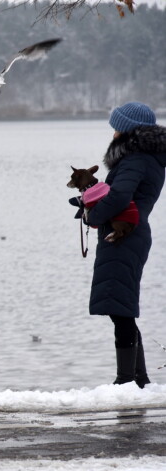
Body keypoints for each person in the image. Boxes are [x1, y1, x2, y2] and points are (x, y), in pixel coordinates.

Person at [84, 102, 166, 388]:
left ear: (130, 129)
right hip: (126, 234)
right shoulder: (144, 158)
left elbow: (119, 198)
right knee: (122, 307)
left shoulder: (136, 159)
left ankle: (126, 381)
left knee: (121, 310)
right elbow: (120, 196)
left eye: (118, 127)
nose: (114, 131)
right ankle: (138, 379)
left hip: (124, 236)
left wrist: (92, 215)